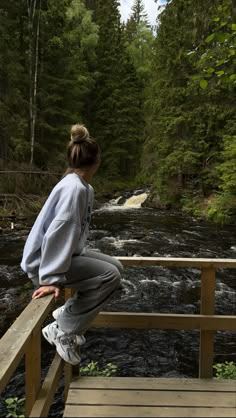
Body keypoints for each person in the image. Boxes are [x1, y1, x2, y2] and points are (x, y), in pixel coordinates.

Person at [21, 124, 123, 365]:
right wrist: (50, 278)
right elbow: (59, 232)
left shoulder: (84, 187)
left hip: (64, 257)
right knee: (109, 276)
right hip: (43, 262)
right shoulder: (73, 189)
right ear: (97, 161)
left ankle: (66, 314)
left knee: (116, 266)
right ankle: (62, 330)